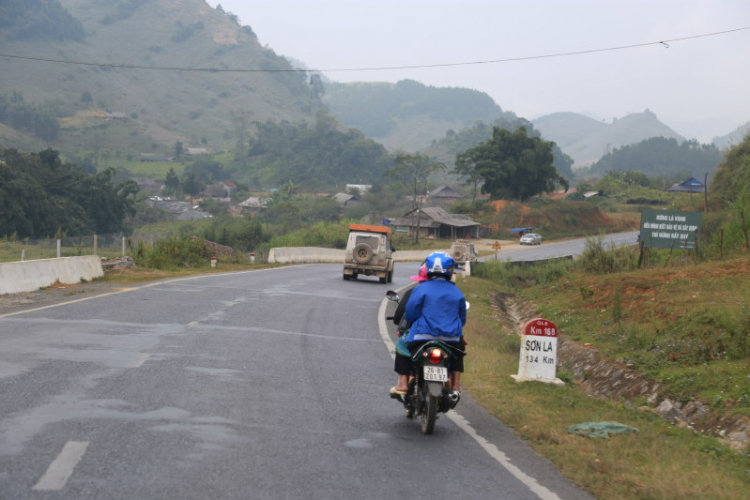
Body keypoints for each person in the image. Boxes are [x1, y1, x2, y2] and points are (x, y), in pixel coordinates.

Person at [405, 251, 467, 392]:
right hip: (451, 339)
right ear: (450, 270)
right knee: (458, 355)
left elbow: (411, 313)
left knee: (406, 353)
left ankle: (408, 379)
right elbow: (462, 317)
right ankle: (456, 385)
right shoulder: (456, 291)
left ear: (428, 268)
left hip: (422, 337)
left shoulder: (421, 289)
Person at [389, 265, 428, 395]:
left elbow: (404, 313)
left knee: (401, 345)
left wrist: (397, 319)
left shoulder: (414, 292)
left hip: (419, 333)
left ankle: (403, 382)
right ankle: (454, 383)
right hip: (446, 335)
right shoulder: (450, 292)